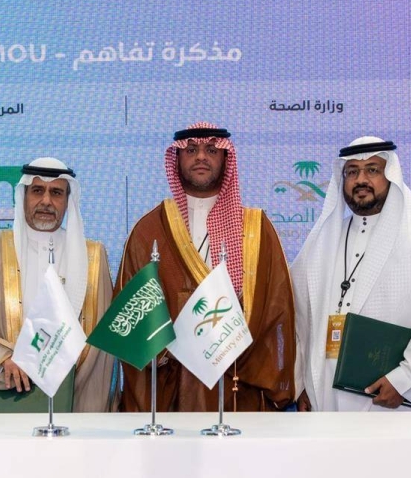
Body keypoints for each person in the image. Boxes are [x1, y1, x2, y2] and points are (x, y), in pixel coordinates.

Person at [116, 122, 296, 412]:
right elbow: (131, 316)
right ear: (176, 158)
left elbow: (277, 309)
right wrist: (172, 349)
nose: (201, 156)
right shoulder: (149, 230)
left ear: (226, 158)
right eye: (191, 150)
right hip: (172, 388)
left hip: (237, 383)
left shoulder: (255, 228)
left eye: (211, 150)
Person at [291, 136, 411, 411]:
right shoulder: (322, 243)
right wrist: (302, 383)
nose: (361, 180)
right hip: (326, 396)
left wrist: (403, 379)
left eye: (372, 170)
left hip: (393, 400)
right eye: (352, 172)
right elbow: (299, 319)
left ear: (391, 176)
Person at [0, 158, 115, 411]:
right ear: (24, 196)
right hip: (9, 391)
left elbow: (103, 340)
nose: (46, 201)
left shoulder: (92, 256)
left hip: (76, 392)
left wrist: (76, 380)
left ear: (68, 200)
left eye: (56, 193)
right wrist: (2, 357)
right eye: (37, 191)